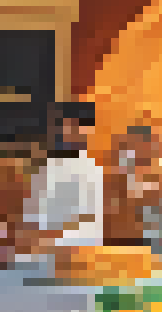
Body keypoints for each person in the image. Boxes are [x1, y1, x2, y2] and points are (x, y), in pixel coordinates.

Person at [24, 105, 105, 255]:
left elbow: (92, 224)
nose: (75, 131)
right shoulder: (46, 168)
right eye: (70, 126)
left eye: (81, 126)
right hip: (42, 250)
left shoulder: (92, 170)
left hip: (79, 251)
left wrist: (55, 237)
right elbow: (32, 214)